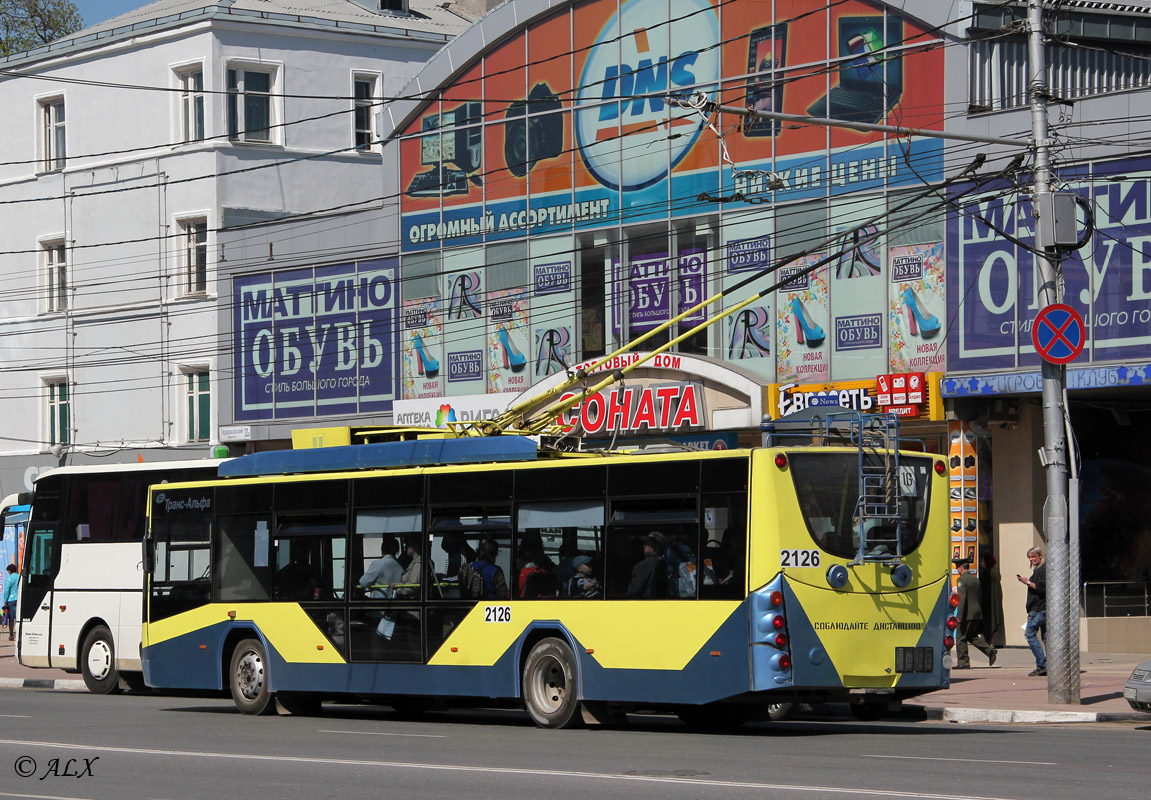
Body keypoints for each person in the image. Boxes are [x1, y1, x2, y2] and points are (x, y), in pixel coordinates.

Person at [953, 557, 997, 669]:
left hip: (966, 614)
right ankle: (990, 650)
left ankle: (963, 662)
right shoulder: (975, 580)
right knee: (971, 636)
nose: (957, 570)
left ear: (961, 568)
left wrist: (959, 615)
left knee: (960, 638)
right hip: (976, 613)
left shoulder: (962, 580)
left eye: (958, 568)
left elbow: (962, 599)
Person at [1017, 546, 1047, 676]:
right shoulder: (1039, 570)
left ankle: (1042, 664)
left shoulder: (1042, 570)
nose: (1031, 559)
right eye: (1029, 557)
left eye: (1033, 556)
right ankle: (1048, 664)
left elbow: (1041, 588)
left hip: (1038, 608)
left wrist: (1027, 582)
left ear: (1040, 556)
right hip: (1042, 608)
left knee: (1030, 634)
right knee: (1046, 637)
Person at [627, 532, 668, 598]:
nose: (644, 546)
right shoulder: (669, 563)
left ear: (653, 548)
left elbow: (633, 593)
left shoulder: (643, 566)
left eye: (646, 543)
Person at [979, 552, 1006, 648]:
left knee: (987, 621)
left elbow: (982, 588)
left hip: (987, 603)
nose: (981, 562)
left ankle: (987, 640)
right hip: (995, 602)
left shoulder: (987, 573)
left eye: (983, 560)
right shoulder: (996, 572)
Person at [394, 534, 423, 599]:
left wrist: (398, 590)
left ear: (415, 546)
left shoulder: (419, 563)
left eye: (408, 545)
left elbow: (412, 586)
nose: (405, 547)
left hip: (413, 602)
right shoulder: (413, 563)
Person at [4, 564, 18, 641]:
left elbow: (6, 591)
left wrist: (5, 601)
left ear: (9, 571)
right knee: (19, 617)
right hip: (19, 599)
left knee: (11, 618)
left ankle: (11, 634)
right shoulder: (20, 577)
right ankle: (19, 633)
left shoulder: (9, 579)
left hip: (11, 600)